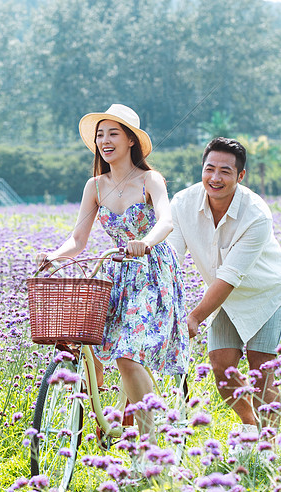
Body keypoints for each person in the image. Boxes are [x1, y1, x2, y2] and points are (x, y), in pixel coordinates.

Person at [34, 104, 189, 449]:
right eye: (100, 135)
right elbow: (78, 239)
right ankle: (111, 420)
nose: (105, 141)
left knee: (127, 355)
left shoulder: (150, 179)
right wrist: (54, 256)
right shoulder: (95, 185)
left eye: (113, 133)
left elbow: (166, 220)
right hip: (116, 272)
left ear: (131, 140)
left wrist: (145, 242)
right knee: (93, 346)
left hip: (151, 269)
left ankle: (149, 448)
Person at [167, 137, 281, 437]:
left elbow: (230, 276)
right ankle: (251, 426)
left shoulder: (257, 214)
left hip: (265, 292)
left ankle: (270, 444)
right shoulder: (183, 204)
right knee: (222, 369)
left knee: (261, 367)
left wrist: (195, 317)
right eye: (209, 169)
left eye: (225, 171)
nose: (215, 178)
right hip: (222, 296)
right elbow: (171, 258)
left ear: (240, 176)